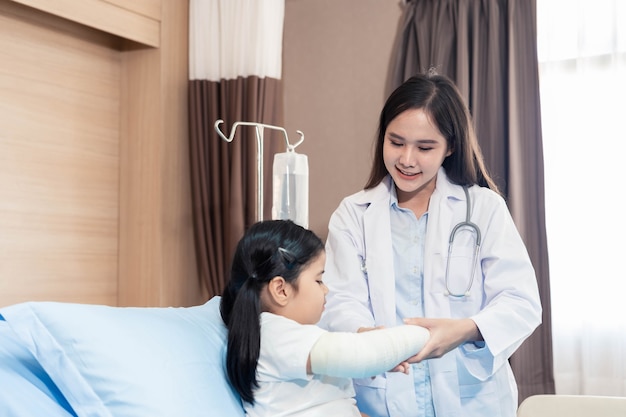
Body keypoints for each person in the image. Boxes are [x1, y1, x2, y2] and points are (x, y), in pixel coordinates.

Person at [318, 71, 542, 417]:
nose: (407, 159)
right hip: (383, 397)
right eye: (396, 142)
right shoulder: (354, 214)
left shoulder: (483, 209)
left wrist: (464, 331)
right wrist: (370, 341)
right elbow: (339, 300)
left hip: (473, 399)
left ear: (450, 146)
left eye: (425, 147)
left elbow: (520, 302)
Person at [220, 219, 430, 417]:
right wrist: (428, 334)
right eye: (318, 280)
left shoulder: (287, 335)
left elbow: (336, 400)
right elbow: (361, 355)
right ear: (281, 290)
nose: (326, 289)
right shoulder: (274, 334)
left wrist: (380, 359)